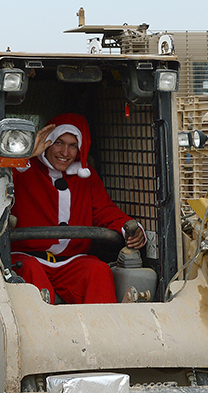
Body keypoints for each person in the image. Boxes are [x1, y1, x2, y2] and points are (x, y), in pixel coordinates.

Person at [10, 113, 146, 304]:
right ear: (46, 143)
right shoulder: (23, 169)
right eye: (59, 142)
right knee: (30, 274)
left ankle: (104, 331)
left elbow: (104, 210)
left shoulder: (86, 177)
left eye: (72, 145)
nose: (65, 152)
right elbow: (1, 189)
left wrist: (130, 228)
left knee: (98, 270)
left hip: (71, 262)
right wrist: (26, 155)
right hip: (28, 258)